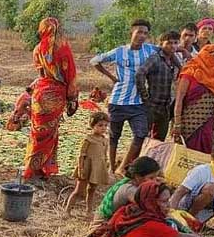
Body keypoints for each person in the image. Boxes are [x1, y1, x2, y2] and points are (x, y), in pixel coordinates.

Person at [13, 17, 78, 183]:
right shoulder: (62, 48)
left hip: (39, 93)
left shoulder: (37, 49)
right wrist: (72, 98)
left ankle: (38, 169)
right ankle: (34, 171)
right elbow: (70, 75)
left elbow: (41, 74)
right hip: (55, 94)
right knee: (49, 134)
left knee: (38, 133)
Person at [91, 19, 157, 173]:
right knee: (114, 136)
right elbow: (95, 61)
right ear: (131, 33)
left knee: (140, 135)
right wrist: (111, 77)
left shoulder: (150, 50)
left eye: (145, 33)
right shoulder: (119, 51)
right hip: (118, 102)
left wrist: (185, 51)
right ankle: (111, 169)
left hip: (138, 102)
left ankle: (122, 167)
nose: (142, 36)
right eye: (139, 32)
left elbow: (169, 49)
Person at [172, 44, 214, 154]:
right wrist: (177, 123)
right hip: (189, 121)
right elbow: (179, 99)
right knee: (188, 150)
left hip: (210, 121)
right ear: (205, 55)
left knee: (208, 149)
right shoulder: (189, 72)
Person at [135, 30, 181, 141]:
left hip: (165, 107)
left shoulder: (174, 60)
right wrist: (145, 96)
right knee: (142, 138)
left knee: (159, 140)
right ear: (161, 44)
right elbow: (140, 74)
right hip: (152, 105)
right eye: (169, 43)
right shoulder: (155, 58)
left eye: (175, 43)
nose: (173, 46)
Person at [65, 112, 111, 217]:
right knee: (78, 190)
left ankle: (89, 211)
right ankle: (67, 210)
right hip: (87, 167)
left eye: (105, 125)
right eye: (100, 125)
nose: (103, 128)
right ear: (93, 126)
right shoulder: (88, 139)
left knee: (92, 190)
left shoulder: (104, 140)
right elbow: (81, 155)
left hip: (97, 168)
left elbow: (104, 154)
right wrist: (81, 169)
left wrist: (105, 165)